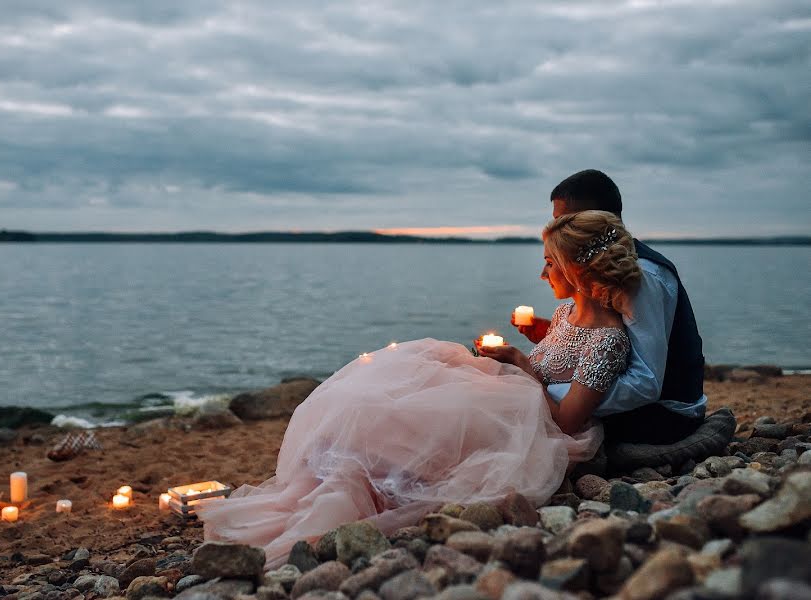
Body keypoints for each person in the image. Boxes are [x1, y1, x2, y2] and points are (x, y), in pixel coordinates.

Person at [198, 210, 641, 568]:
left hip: (532, 423)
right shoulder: (565, 316)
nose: (544, 272)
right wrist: (516, 351)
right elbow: (552, 364)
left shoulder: (609, 341)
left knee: (409, 412)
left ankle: (365, 480)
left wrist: (520, 363)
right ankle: (346, 470)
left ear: (576, 269)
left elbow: (567, 421)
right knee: (389, 386)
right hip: (508, 397)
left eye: (550, 261)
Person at [514, 169, 707, 445]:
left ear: (596, 218)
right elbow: (602, 338)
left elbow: (646, 381)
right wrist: (554, 335)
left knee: (513, 406)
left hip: (666, 412)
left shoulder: (643, 275)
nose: (558, 229)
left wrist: (544, 390)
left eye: (565, 220)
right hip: (626, 400)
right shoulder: (593, 267)